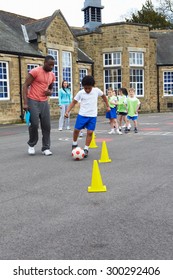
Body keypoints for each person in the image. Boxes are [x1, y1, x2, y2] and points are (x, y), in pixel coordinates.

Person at [64, 75, 110, 158]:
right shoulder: (81, 93)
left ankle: (86, 149)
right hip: (82, 115)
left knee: (90, 132)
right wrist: (67, 111)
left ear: (92, 86)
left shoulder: (96, 91)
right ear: (83, 87)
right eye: (86, 88)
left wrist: (108, 106)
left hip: (92, 116)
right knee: (76, 130)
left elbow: (104, 97)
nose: (87, 90)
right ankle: (74, 143)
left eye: (89, 88)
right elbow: (73, 102)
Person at [23, 55, 56, 155]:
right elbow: (25, 85)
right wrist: (25, 103)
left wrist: (50, 92)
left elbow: (51, 88)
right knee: (34, 124)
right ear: (44, 63)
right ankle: (31, 145)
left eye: (53, 65)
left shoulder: (52, 75)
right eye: (50, 65)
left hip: (44, 102)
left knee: (47, 126)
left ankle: (46, 148)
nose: (51, 67)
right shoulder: (35, 71)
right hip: (33, 100)